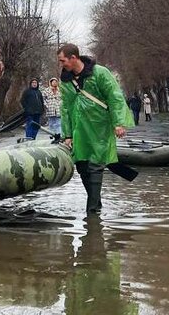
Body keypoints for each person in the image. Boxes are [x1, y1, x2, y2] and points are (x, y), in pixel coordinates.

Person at [58, 43, 132, 215]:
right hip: (79, 128)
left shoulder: (99, 73)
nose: (61, 64)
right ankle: (96, 203)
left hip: (101, 126)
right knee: (82, 164)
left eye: (63, 61)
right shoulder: (66, 81)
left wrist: (118, 123)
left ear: (73, 57)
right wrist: (67, 134)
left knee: (96, 164)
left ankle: (92, 211)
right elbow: (66, 108)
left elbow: (115, 97)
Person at [42, 77, 63, 142]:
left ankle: (58, 134)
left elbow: (63, 98)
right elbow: (43, 99)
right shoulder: (46, 90)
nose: (54, 83)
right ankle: (51, 134)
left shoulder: (60, 90)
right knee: (51, 123)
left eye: (56, 82)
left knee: (58, 123)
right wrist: (46, 105)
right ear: (50, 82)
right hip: (50, 108)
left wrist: (61, 104)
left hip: (58, 107)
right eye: (53, 82)